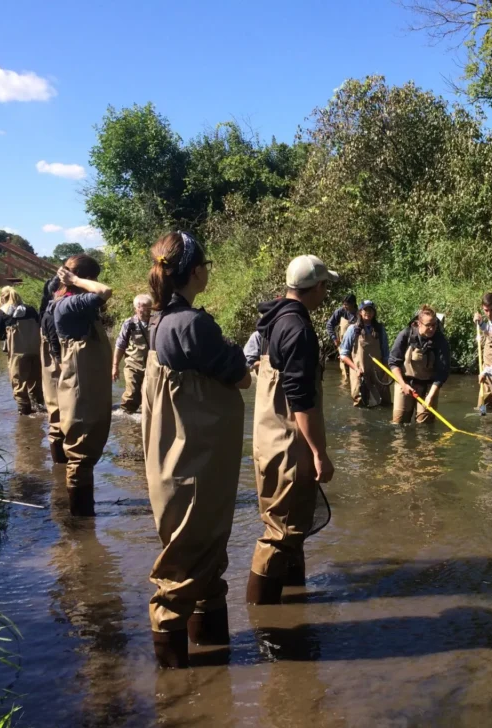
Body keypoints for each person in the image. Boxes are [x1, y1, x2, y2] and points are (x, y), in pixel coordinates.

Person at [142, 231, 251, 668]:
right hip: (196, 465)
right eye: (206, 265)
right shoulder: (193, 324)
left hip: (172, 463)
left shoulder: (160, 321)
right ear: (197, 272)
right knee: (188, 564)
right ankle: (174, 682)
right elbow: (240, 377)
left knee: (201, 559)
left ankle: (208, 672)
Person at [248, 254, 338, 605]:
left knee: (290, 527)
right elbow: (301, 400)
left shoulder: (274, 319)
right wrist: (319, 453)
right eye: (324, 286)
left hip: (268, 439)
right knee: (281, 533)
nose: (325, 292)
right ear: (315, 287)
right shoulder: (298, 329)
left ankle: (293, 603)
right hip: (289, 445)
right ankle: (264, 619)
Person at [53, 254, 113, 515]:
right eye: (93, 277)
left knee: (88, 443)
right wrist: (76, 279)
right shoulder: (69, 304)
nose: (96, 282)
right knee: (80, 447)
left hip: (90, 381)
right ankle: (80, 522)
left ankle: (83, 520)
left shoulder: (75, 304)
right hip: (80, 382)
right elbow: (104, 292)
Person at [388, 305, 451, 425]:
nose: (432, 329)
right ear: (419, 324)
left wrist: (430, 396)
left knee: (425, 427)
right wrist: (403, 384)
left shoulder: (441, 341)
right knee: (399, 424)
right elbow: (393, 362)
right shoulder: (405, 335)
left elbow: (442, 372)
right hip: (405, 384)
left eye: (434, 325)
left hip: (428, 388)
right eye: (428, 325)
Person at [0, 287, 43, 415]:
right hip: (35, 349)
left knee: (18, 380)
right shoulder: (31, 309)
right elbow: (40, 325)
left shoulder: (3, 312)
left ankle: (24, 411)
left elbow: (0, 335)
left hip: (18, 352)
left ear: (2, 298)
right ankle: (39, 405)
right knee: (35, 379)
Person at [339, 299, 391, 407]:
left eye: (371, 310)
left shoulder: (380, 329)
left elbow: (386, 354)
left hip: (378, 372)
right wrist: (355, 368)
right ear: (360, 312)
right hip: (359, 372)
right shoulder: (352, 330)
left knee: (385, 403)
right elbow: (343, 355)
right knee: (360, 404)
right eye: (365, 310)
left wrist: (386, 372)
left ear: (374, 313)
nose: (368, 312)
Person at [39, 276, 65, 464]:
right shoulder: (51, 312)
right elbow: (55, 342)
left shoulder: (47, 308)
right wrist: (62, 363)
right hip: (56, 363)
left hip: (53, 363)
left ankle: (60, 464)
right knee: (57, 412)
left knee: (56, 410)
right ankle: (60, 464)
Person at [112, 294, 152, 414]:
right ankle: (126, 419)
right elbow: (120, 346)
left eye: (149, 308)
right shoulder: (129, 324)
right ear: (136, 308)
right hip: (133, 366)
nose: (147, 312)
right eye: (144, 308)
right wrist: (115, 366)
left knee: (150, 396)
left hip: (151, 366)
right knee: (131, 394)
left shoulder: (157, 322)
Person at [325, 293, 357, 380]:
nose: (344, 306)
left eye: (346, 304)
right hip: (343, 344)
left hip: (356, 345)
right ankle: (345, 386)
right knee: (345, 369)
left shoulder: (360, 313)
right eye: (343, 304)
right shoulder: (340, 312)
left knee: (356, 366)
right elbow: (329, 325)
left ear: (353, 304)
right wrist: (334, 338)